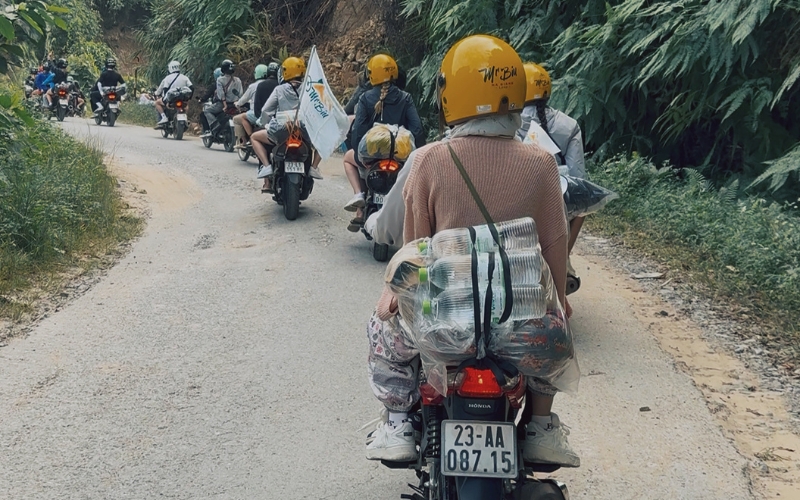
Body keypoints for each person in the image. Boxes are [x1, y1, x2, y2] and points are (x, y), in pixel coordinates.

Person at [364, 34, 579, 468]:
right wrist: (559, 303)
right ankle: (540, 426)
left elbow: (415, 253)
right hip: (519, 325)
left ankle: (400, 423)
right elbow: (555, 250)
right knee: (555, 333)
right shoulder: (541, 164)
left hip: (444, 327)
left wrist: (393, 299)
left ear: (451, 94)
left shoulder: (428, 160)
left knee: (381, 331)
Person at [518, 63, 586, 278]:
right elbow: (578, 177)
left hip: (516, 199)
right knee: (582, 209)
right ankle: (564, 261)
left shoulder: (509, 122)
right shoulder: (569, 125)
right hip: (558, 200)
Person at [343, 54, 425, 232]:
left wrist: (359, 153)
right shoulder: (405, 97)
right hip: (398, 155)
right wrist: (418, 153)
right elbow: (417, 129)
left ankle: (359, 197)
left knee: (348, 159)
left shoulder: (365, 98)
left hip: (372, 156)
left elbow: (358, 130)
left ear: (371, 74)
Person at [251, 56, 323, 192]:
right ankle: (314, 167)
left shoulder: (280, 89)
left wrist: (264, 122)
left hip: (282, 131)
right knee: (324, 139)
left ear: (285, 72)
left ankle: (266, 166)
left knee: (254, 137)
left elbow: (266, 110)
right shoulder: (310, 89)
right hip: (305, 132)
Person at [233, 62, 280, 149]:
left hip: (260, 114)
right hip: (277, 116)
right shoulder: (280, 85)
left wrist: (238, 104)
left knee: (241, 117)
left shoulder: (257, 85)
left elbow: (247, 101)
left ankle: (248, 139)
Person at [201, 59, 242, 138]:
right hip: (235, 104)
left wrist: (225, 105)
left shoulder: (220, 80)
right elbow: (240, 94)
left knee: (206, 111)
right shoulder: (238, 80)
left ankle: (215, 125)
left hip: (222, 105)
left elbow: (221, 94)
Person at [154, 60, 193, 127]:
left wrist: (164, 99)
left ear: (170, 68)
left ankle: (164, 117)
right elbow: (192, 87)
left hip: (171, 100)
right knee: (186, 106)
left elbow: (165, 89)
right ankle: (185, 118)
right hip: (182, 99)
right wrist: (189, 98)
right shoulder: (184, 77)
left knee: (157, 103)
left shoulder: (167, 78)